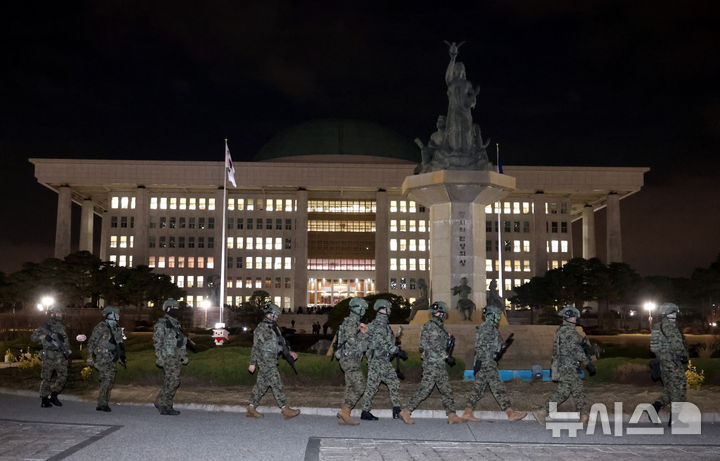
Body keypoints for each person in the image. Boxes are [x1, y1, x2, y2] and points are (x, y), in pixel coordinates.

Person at [399, 301, 464, 424]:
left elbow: (438, 343)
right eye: (443, 313)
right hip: (432, 363)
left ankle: (452, 415)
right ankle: (406, 411)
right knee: (425, 389)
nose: (444, 315)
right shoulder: (432, 326)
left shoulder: (439, 327)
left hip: (438, 362)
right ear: (440, 313)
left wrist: (448, 340)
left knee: (446, 389)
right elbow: (434, 346)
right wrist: (446, 356)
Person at [462, 305, 526, 422]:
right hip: (487, 363)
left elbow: (491, 347)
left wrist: (502, 347)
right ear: (490, 315)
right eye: (497, 315)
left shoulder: (488, 328)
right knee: (497, 388)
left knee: (478, 389)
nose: (498, 318)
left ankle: (467, 412)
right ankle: (510, 413)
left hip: (485, 363)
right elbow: (482, 348)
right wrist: (491, 358)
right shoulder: (488, 328)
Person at [533, 306, 595, 425]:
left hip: (566, 366)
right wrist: (588, 363)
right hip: (568, 366)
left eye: (575, 316)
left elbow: (573, 347)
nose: (575, 319)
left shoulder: (564, 330)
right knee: (571, 390)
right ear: (568, 318)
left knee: (571, 390)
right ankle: (543, 411)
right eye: (573, 317)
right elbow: (575, 350)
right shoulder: (569, 332)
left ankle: (583, 415)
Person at [247, 303, 300, 420]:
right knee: (276, 383)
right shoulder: (261, 328)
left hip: (272, 359)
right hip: (265, 360)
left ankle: (251, 408)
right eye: (275, 315)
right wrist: (252, 363)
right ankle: (285, 409)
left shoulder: (274, 328)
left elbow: (280, 344)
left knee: (262, 385)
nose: (276, 318)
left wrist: (289, 352)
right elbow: (256, 346)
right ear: (269, 315)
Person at [359, 299, 406, 421]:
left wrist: (395, 340)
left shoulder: (383, 324)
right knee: (386, 383)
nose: (390, 310)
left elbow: (384, 340)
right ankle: (395, 410)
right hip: (378, 360)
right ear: (382, 309)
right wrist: (396, 350)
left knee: (378, 385)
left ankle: (367, 411)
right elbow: (381, 343)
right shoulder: (379, 324)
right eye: (388, 308)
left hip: (379, 359)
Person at [650, 303, 688, 425]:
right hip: (673, 363)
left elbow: (653, 348)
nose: (676, 315)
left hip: (661, 363)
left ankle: (654, 408)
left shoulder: (657, 327)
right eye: (674, 313)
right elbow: (678, 346)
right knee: (679, 389)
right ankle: (674, 420)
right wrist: (683, 354)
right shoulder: (671, 327)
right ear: (670, 314)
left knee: (669, 389)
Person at [335, 298, 369, 425]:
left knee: (350, 387)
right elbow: (353, 342)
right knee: (361, 386)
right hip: (349, 359)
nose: (364, 311)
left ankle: (344, 416)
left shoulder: (354, 323)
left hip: (350, 359)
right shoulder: (351, 323)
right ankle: (345, 410)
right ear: (357, 308)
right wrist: (365, 335)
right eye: (363, 308)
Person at [153, 298, 188, 415]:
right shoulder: (162, 323)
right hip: (167, 356)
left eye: (178, 308)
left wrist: (184, 355)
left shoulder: (176, 324)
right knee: (173, 380)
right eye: (175, 308)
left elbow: (182, 341)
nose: (177, 310)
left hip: (176, 356)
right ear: (168, 309)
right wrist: (159, 357)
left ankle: (164, 403)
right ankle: (163, 404)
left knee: (170, 381)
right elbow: (158, 342)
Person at [87, 306, 125, 412]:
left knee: (110, 381)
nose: (118, 316)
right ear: (110, 315)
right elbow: (92, 342)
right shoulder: (101, 327)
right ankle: (102, 404)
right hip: (102, 358)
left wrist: (121, 357)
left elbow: (119, 345)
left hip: (111, 359)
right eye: (116, 314)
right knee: (106, 380)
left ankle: (103, 402)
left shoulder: (116, 328)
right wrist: (89, 357)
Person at [31, 305, 71, 408]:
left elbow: (65, 341)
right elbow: (33, 337)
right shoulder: (44, 326)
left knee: (63, 376)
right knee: (46, 378)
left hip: (60, 356)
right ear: (52, 314)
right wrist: (43, 337)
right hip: (49, 356)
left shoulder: (62, 327)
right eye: (58, 314)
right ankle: (44, 400)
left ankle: (53, 395)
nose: (60, 316)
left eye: (60, 314)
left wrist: (67, 352)